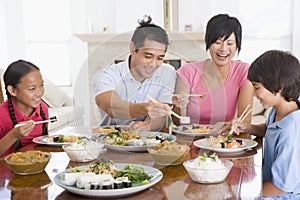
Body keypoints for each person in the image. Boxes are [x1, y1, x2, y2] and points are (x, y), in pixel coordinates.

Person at [171, 14, 253, 135]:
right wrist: (178, 108)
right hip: (192, 138)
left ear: (237, 46)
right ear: (208, 42)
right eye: (217, 42)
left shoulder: (244, 71)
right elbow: (178, 122)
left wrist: (235, 124)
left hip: (224, 141)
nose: (223, 49)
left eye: (230, 43)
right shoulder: (188, 71)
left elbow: (244, 122)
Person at [233, 50, 300, 199]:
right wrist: (247, 127)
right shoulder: (280, 110)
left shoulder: (292, 132)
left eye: (257, 88)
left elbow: (280, 187)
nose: (254, 94)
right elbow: (269, 129)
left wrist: (243, 195)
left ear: (278, 87)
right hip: (269, 184)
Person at [94, 15, 176, 131]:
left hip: (147, 139)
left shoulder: (167, 72)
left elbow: (160, 117)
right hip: (110, 138)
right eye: (148, 56)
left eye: (160, 58)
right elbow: (113, 108)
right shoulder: (107, 75)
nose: (153, 64)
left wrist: (147, 126)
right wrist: (147, 108)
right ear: (132, 48)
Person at [0, 60, 49, 157]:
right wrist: (13, 135)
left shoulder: (43, 108)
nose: (39, 93)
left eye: (41, 85)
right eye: (32, 89)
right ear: (12, 90)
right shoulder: (1, 115)